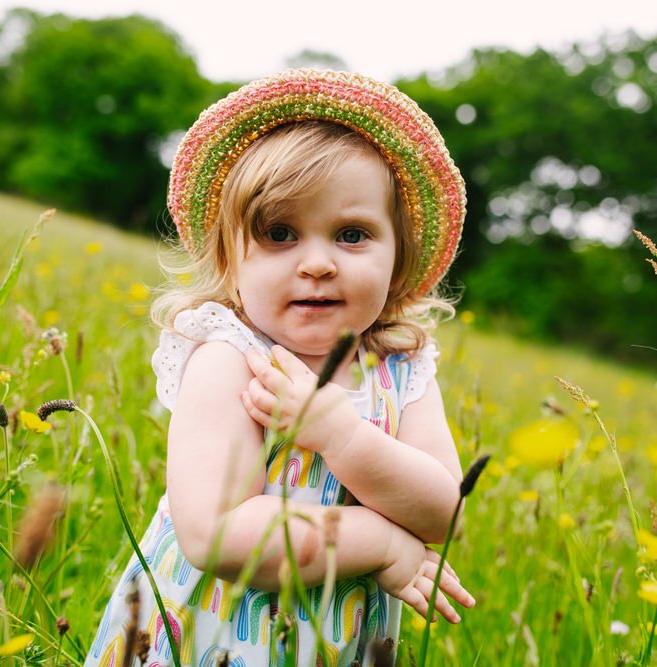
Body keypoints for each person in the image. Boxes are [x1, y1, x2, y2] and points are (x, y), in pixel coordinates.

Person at [86, 69, 472, 667]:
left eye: (351, 234)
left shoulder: (400, 370)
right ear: (227, 256)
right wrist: (382, 543)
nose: (316, 263)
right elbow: (215, 534)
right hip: (207, 642)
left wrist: (343, 435)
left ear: (399, 258)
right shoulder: (230, 359)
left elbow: (444, 509)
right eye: (279, 233)